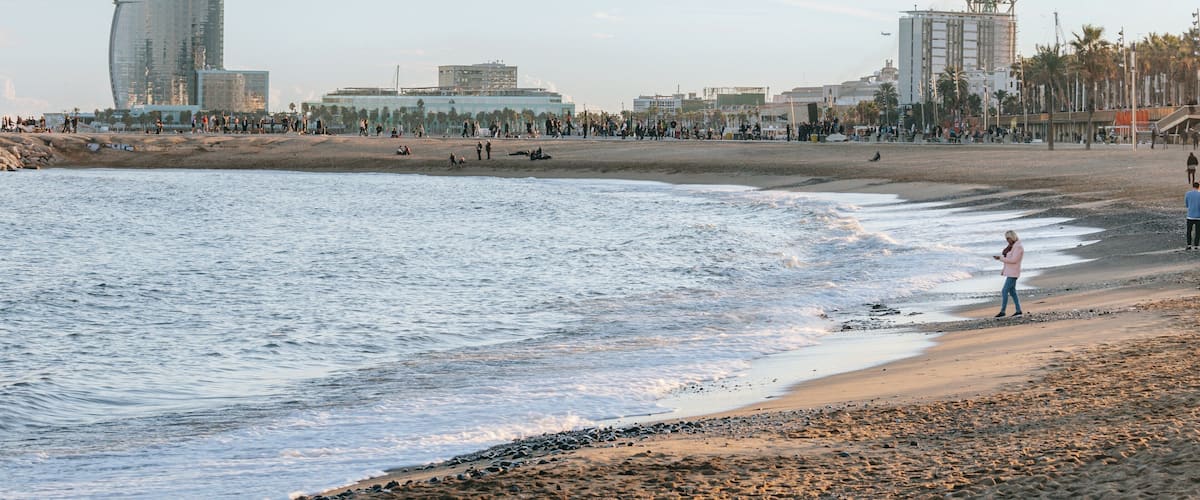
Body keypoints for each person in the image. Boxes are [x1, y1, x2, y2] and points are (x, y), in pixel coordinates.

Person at [992, 230, 1024, 318]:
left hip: (1013, 273)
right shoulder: (1012, 247)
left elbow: (1014, 260)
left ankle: (1003, 311)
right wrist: (1000, 257)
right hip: (1010, 272)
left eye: (1008, 238)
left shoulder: (1018, 247)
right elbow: (1009, 257)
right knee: (1012, 292)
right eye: (1006, 239)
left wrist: (1001, 258)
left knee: (1004, 290)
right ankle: (1018, 310)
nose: (1007, 240)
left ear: (1012, 237)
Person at [1187, 182, 1200, 250]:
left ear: (1193, 186)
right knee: (1198, 232)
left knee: (1189, 231)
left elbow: (1186, 204)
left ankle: (1189, 245)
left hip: (1190, 215)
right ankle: (1196, 245)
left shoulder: (1188, 193)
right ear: (1198, 187)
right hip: (1198, 216)